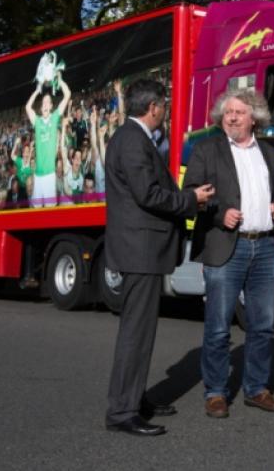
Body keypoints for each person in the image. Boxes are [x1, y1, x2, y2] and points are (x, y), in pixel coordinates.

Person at [104, 79, 214, 437]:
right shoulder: (133, 140)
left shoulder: (131, 138)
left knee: (141, 331)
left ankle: (135, 399)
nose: (165, 112)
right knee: (136, 333)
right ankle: (123, 411)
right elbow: (148, 194)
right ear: (153, 107)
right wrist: (190, 200)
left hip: (142, 250)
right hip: (141, 250)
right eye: (164, 106)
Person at [183, 88, 274, 419]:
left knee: (262, 325)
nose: (230, 117)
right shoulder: (207, 149)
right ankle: (215, 392)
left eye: (238, 112)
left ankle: (256, 388)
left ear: (254, 117)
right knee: (218, 327)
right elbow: (190, 193)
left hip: (265, 247)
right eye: (227, 112)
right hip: (226, 245)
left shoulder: (269, 153)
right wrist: (218, 214)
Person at [25, 75, 71, 207]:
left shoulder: (55, 117)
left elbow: (67, 94)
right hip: (37, 176)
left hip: (50, 175)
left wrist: (60, 79)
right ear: (41, 107)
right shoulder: (37, 122)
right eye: (43, 102)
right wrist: (37, 90)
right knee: (36, 211)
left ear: (51, 106)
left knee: (50, 212)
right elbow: (28, 107)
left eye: (47, 102)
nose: (45, 104)